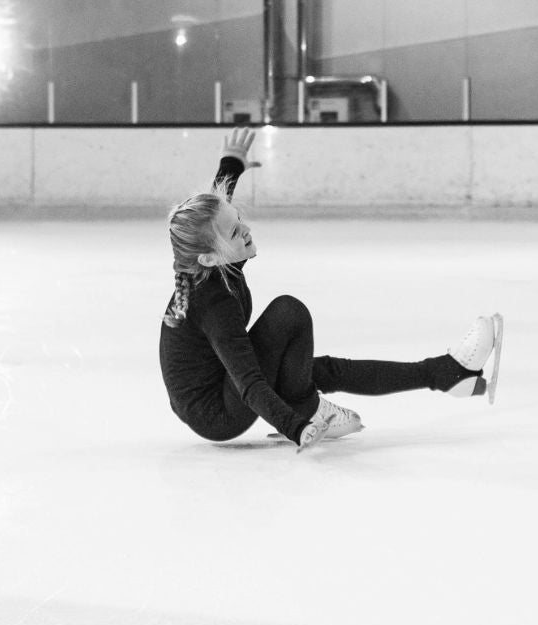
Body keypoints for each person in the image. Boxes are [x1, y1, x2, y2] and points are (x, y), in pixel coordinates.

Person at [158, 127, 503, 453]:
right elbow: (248, 383)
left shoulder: (212, 255)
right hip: (218, 412)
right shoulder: (215, 303)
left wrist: (232, 164)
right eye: (235, 232)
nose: (245, 229)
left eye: (239, 218)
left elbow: (216, 211)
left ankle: (448, 373)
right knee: (287, 313)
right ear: (209, 258)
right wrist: (295, 427)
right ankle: (309, 409)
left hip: (220, 384)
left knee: (323, 369)